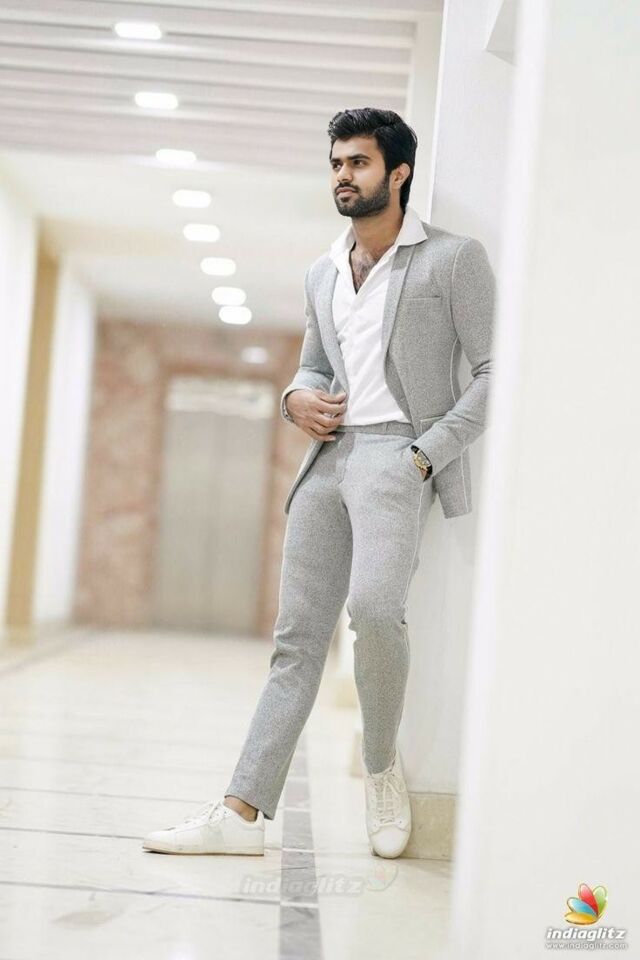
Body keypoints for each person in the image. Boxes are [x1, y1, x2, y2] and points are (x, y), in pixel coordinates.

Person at [142, 107, 495, 859]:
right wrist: (293, 398)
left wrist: (425, 455)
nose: (343, 176)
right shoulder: (323, 271)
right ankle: (240, 813)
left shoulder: (452, 260)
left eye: (358, 162)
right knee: (297, 640)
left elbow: (497, 374)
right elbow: (312, 366)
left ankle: (382, 768)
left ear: (398, 172)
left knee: (375, 610)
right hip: (327, 460)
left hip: (398, 453)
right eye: (336, 163)